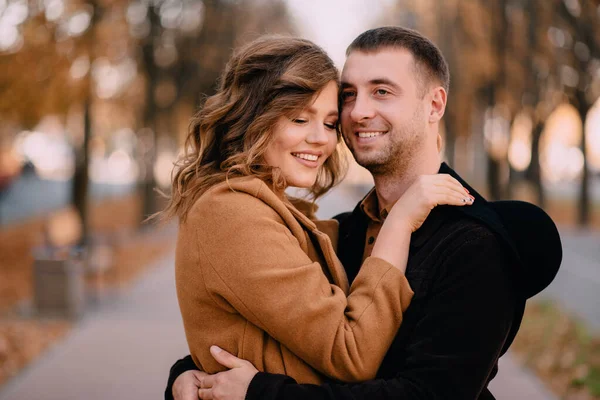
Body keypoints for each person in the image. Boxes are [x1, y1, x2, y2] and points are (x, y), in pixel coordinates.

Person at [166, 27, 562, 400]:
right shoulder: (348, 231)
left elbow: (429, 395)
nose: (357, 112)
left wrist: (260, 393)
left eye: (383, 92)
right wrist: (190, 372)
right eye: (350, 95)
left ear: (435, 105)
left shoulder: (473, 244)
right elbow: (266, 326)